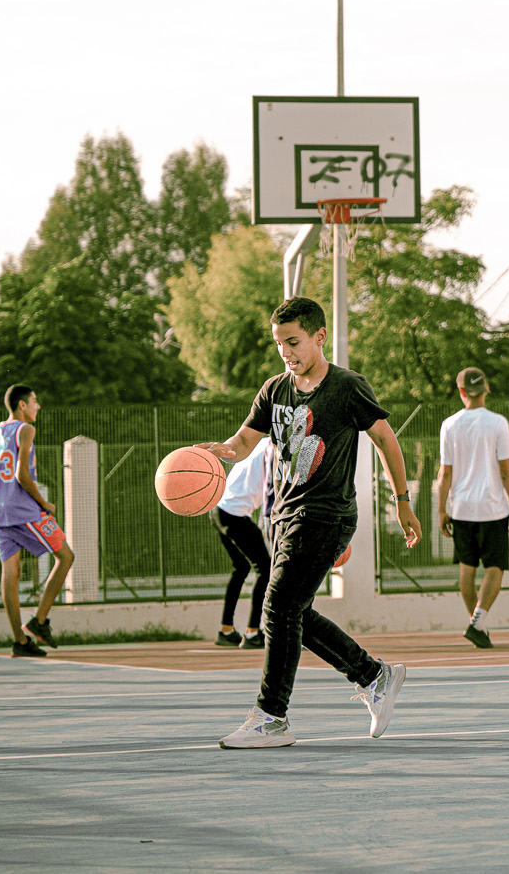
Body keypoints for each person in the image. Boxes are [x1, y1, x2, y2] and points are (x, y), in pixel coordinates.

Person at [201, 297, 423, 749]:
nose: (286, 351)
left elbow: (385, 438)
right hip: (283, 516)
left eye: (294, 341)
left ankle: (271, 717)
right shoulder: (274, 389)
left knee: (276, 608)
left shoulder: (346, 387)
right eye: (280, 343)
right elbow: (245, 440)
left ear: (320, 337)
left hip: (327, 514)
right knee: (292, 611)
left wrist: (402, 502)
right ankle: (374, 676)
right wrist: (222, 451)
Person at [0, 385, 76, 658]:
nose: (38, 406)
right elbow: (22, 475)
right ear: (22, 405)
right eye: (34, 401)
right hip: (23, 510)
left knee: (11, 575)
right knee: (65, 556)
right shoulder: (25, 430)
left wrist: (0, 495)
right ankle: (39, 622)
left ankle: (20, 641)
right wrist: (44, 503)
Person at [437, 367, 509, 648]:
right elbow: (506, 469)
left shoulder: (449, 425)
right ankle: (477, 622)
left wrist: (440, 509)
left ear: (461, 392)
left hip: (461, 509)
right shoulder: (497, 423)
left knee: (466, 570)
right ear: (485, 389)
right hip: (493, 509)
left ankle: (478, 626)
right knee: (495, 567)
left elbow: (444, 473)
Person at [212, 435, 274, 648]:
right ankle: (252, 633)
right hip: (235, 515)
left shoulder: (258, 443)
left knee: (241, 567)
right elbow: (272, 491)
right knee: (265, 570)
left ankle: (226, 629)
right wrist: (267, 525)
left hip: (219, 510)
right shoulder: (274, 448)